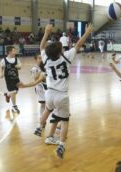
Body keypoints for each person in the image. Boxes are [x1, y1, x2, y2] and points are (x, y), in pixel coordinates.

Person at [33, 24, 93, 159]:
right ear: (60, 52)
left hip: (49, 92)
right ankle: (61, 145)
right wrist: (87, 32)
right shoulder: (66, 57)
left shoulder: (46, 59)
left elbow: (41, 47)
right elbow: (78, 44)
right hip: (62, 94)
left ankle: (38, 127)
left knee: (48, 109)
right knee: (65, 120)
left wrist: (46, 32)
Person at [0, 46, 38, 114]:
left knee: (15, 91)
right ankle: (14, 106)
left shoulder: (16, 59)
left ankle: (8, 95)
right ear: (9, 52)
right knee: (13, 92)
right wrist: (1, 73)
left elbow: (20, 65)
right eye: (14, 51)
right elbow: (2, 67)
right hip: (8, 79)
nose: (15, 52)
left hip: (16, 78)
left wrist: (19, 66)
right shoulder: (4, 60)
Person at [30, 54, 47, 123]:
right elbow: (35, 78)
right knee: (43, 104)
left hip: (47, 88)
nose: (41, 59)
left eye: (42, 58)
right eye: (39, 58)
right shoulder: (34, 68)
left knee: (50, 104)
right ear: (35, 60)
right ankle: (42, 119)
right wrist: (40, 71)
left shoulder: (45, 66)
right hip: (40, 88)